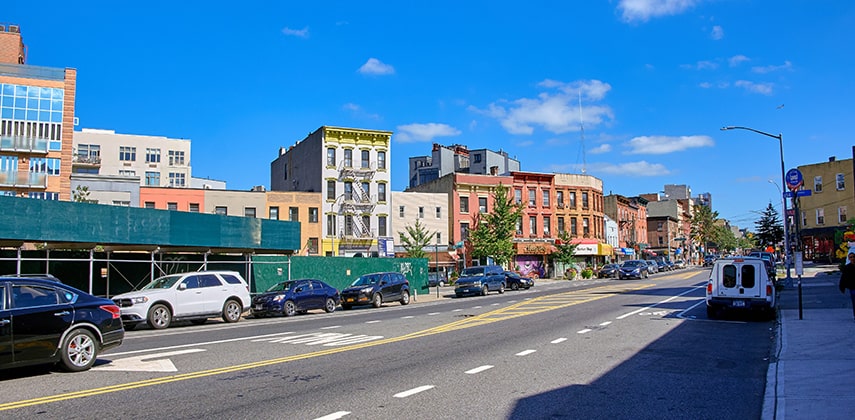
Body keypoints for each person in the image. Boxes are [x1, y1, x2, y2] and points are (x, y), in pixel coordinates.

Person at [840, 252, 855, 320]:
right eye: (851, 257)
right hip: (853, 287)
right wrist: (842, 286)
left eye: (853, 257)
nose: (852, 258)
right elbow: (843, 278)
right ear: (849, 258)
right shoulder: (847, 267)